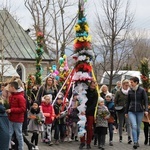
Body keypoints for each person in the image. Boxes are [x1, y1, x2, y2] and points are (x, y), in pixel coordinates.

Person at [125, 76, 148, 149]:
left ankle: (137, 140)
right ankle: (135, 142)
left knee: (138, 128)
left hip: (140, 111)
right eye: (130, 82)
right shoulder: (130, 91)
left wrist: (146, 110)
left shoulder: (142, 90)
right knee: (134, 126)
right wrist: (126, 112)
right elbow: (127, 102)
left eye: (131, 82)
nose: (130, 84)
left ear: (136, 82)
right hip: (131, 111)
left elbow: (146, 101)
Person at [6, 81, 26, 150]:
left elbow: (23, 109)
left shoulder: (20, 97)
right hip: (11, 118)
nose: (8, 88)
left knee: (19, 135)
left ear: (12, 87)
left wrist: (12, 110)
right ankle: (8, 147)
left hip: (18, 119)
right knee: (9, 134)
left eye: (9, 87)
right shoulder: (12, 96)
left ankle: (21, 148)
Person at [79, 81, 98, 149]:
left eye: (95, 85)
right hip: (82, 111)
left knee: (89, 128)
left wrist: (86, 111)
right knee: (82, 127)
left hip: (90, 112)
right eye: (93, 84)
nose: (93, 86)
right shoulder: (85, 91)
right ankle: (82, 142)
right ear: (90, 84)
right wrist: (82, 109)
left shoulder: (95, 93)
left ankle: (88, 143)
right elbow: (81, 100)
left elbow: (94, 104)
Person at [114, 79, 132, 144]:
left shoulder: (130, 92)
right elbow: (115, 101)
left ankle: (129, 137)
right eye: (125, 84)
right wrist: (117, 107)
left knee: (128, 123)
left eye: (128, 84)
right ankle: (120, 136)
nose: (127, 85)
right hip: (120, 110)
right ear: (123, 85)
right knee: (120, 123)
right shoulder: (118, 92)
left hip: (128, 110)